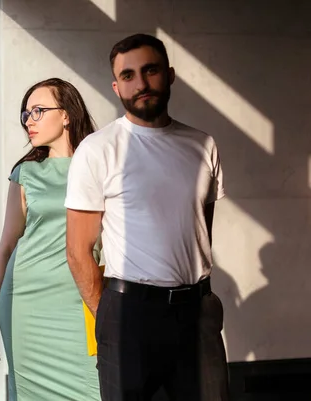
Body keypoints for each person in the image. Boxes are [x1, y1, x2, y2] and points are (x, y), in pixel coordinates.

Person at [64, 34, 230, 401]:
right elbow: (78, 250)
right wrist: (112, 316)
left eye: (150, 70)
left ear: (169, 75)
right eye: (128, 75)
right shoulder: (98, 150)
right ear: (116, 85)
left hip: (197, 313)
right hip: (129, 315)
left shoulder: (203, 145)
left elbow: (201, 227)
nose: (140, 84)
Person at [0, 78, 101, 400]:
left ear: (66, 115)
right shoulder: (26, 173)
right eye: (26, 114)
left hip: (82, 302)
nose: (29, 121)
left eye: (38, 111)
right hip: (25, 304)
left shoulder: (99, 166)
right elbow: (6, 247)